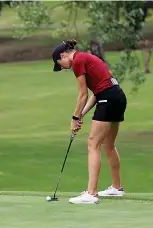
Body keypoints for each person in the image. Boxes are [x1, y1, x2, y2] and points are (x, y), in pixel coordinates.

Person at [52, 39, 127, 204]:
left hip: (108, 98)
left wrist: (74, 118)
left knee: (93, 143)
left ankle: (91, 193)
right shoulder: (86, 58)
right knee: (108, 144)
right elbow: (96, 93)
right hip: (117, 96)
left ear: (63, 55)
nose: (63, 68)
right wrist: (81, 116)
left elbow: (83, 94)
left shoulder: (77, 61)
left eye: (60, 64)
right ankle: (116, 188)